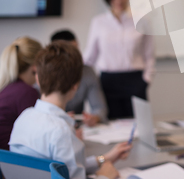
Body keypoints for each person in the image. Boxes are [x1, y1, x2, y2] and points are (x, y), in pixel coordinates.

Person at [9, 41, 131, 179]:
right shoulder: (61, 131)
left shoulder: (23, 118)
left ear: (37, 78)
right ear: (76, 85)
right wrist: (104, 176)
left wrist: (104, 158)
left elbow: (63, 169)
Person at [84, 0, 155, 119]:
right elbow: (90, 56)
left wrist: (147, 79)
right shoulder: (99, 22)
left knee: (139, 124)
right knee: (110, 125)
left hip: (135, 80)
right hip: (108, 81)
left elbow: (149, 54)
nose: (119, 0)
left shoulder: (142, 20)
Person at [51, 29, 108, 126]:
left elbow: (100, 107)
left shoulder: (87, 73)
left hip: (77, 127)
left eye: (77, 49)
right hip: (52, 125)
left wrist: (95, 118)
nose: (77, 55)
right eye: (71, 51)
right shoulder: (45, 74)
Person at [0, 37, 42, 150]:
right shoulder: (27, 93)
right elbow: (37, 137)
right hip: (11, 160)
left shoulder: (6, 87)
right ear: (35, 67)